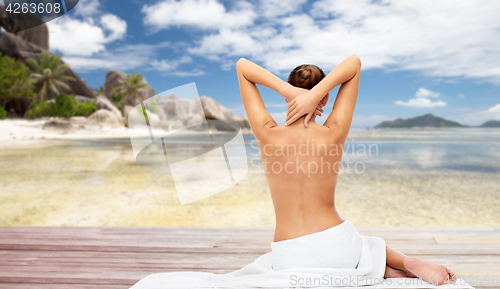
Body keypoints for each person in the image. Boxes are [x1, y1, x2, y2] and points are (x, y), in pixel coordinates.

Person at [235, 54, 457, 286]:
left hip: (289, 257)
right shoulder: (333, 131)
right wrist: (313, 95)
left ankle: (382, 268)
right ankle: (403, 263)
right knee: (367, 244)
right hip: (339, 250)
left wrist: (290, 93)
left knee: (361, 244)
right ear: (326, 97)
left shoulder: (267, 133)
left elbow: (243, 67)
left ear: (287, 94)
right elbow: (354, 64)